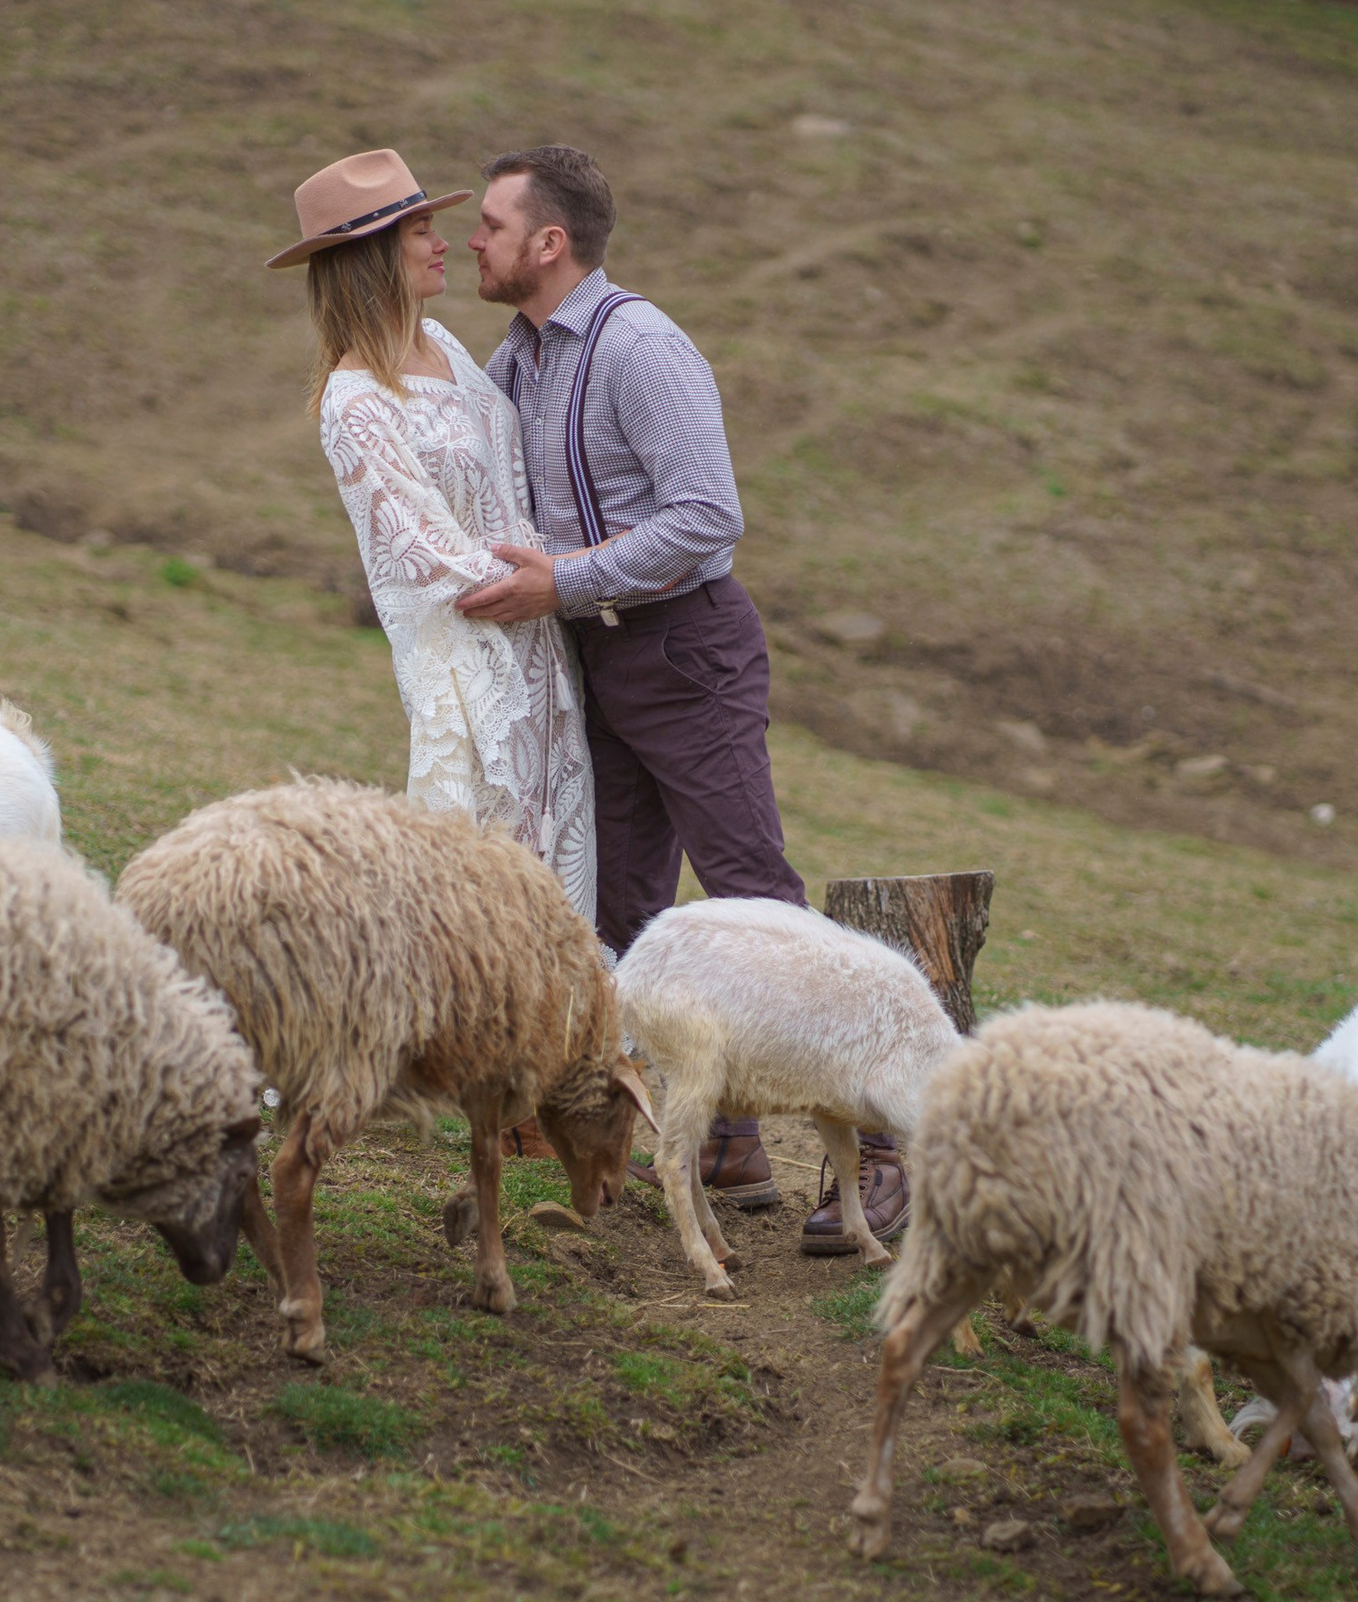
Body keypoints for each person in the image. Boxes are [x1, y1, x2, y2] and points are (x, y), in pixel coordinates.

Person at [454, 144, 905, 1257]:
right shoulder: (514, 358)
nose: (473, 240)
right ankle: (730, 1140)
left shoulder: (640, 348)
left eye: (490, 224)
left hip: (685, 649)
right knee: (630, 912)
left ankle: (891, 1150)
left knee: (752, 897)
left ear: (548, 243)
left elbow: (708, 517)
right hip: (594, 660)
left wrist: (565, 579)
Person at [269, 148, 595, 920]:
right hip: (473, 660)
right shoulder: (355, 403)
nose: (444, 242)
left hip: (543, 645)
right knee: (490, 887)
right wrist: (553, 577)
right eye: (420, 231)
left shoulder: (445, 343)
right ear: (373, 255)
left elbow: (506, 476)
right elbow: (425, 553)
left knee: (565, 875)